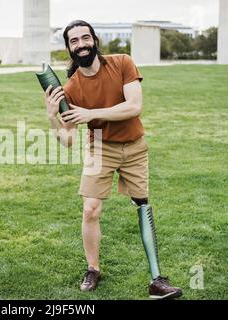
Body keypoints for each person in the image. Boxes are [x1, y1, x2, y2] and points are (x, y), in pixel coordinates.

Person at [44, 20, 182, 299]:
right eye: (74, 41)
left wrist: (91, 114)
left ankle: (157, 280)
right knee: (90, 209)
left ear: (95, 40)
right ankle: (93, 269)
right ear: (69, 48)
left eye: (85, 38)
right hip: (100, 149)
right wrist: (51, 118)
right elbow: (68, 140)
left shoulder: (122, 62)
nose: (81, 44)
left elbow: (134, 106)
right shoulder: (71, 88)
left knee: (142, 205)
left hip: (134, 146)